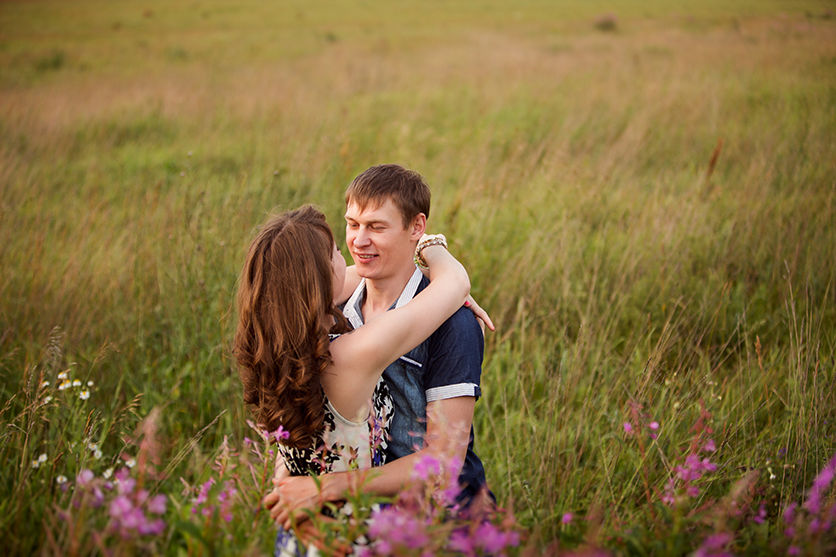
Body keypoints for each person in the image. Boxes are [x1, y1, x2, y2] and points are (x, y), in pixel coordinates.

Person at [267, 165, 494, 542]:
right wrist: (291, 480)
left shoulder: (452, 324)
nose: (358, 240)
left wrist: (324, 488)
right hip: (345, 513)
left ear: (416, 227)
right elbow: (297, 405)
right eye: (352, 224)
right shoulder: (330, 308)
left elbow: (444, 464)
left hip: (432, 523)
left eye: (376, 226)